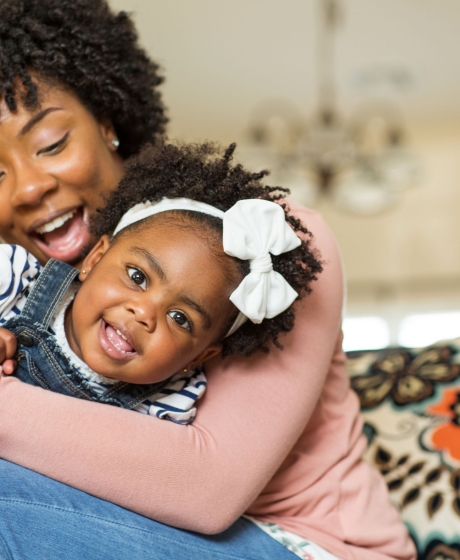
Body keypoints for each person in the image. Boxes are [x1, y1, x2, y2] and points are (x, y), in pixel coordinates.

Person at [0, 0, 416, 558]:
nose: (27, 188)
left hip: (303, 546)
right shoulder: (20, 279)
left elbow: (208, 489)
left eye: (51, 144)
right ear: (99, 257)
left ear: (106, 120)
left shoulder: (263, 247)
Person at [0, 141, 321, 428]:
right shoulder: (16, 278)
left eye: (180, 318)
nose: (144, 313)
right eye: (138, 277)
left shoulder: (171, 403)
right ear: (95, 258)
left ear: (196, 359)